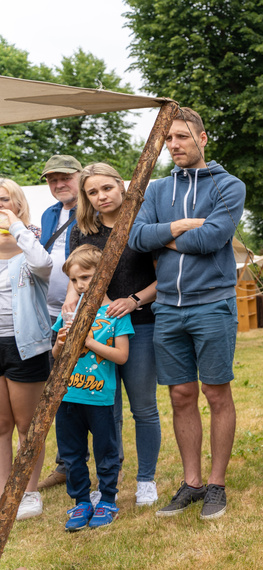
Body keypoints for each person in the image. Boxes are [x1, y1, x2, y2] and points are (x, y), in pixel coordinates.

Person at [128, 107, 244, 520]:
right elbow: (136, 237)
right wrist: (179, 228)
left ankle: (216, 484)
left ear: (202, 137)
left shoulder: (229, 186)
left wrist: (163, 237)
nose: (173, 145)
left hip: (212, 303)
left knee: (216, 393)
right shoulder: (157, 189)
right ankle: (192, 483)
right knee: (180, 396)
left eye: (181, 136)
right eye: (168, 139)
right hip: (167, 308)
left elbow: (212, 238)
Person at [67, 163, 160, 507]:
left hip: (141, 324)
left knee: (143, 407)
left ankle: (146, 480)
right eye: (92, 192)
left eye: (106, 188)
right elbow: (75, 276)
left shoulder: (144, 223)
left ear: (121, 185)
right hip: (98, 329)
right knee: (106, 408)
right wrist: (75, 306)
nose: (101, 196)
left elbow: (165, 276)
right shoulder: (82, 231)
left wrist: (134, 300)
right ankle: (111, 477)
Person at [52, 245, 134, 531]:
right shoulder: (69, 312)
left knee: (106, 452)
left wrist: (87, 341)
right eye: (74, 280)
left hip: (100, 398)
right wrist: (61, 343)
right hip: (68, 396)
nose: (79, 285)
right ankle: (81, 502)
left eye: (85, 277)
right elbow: (56, 355)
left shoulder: (115, 314)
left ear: (104, 274)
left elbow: (121, 356)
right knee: (71, 453)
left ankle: (108, 500)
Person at [0, 178, 51, 520]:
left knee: (27, 425)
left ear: (17, 203)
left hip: (24, 344)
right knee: (0, 425)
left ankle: (29, 492)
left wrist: (15, 225)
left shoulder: (30, 241)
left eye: (3, 200)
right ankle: (5, 490)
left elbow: (44, 265)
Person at [37, 154, 82, 492]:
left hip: (86, 311)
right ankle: (66, 463)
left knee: (97, 386)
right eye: (52, 179)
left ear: (80, 176)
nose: (58, 184)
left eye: (65, 177)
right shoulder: (49, 214)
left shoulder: (93, 209)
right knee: (59, 390)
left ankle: (110, 463)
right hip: (50, 313)